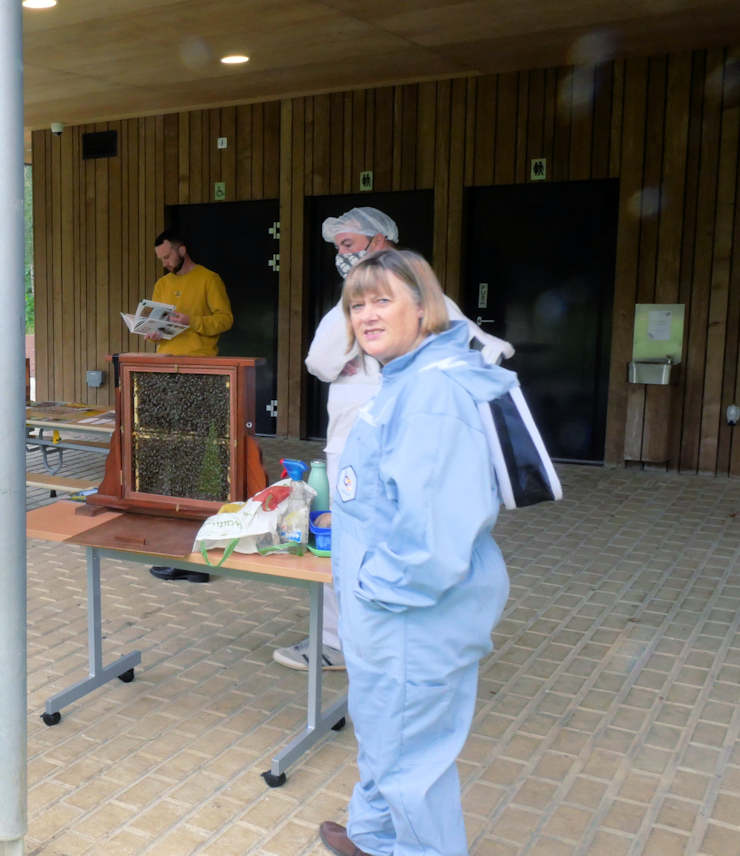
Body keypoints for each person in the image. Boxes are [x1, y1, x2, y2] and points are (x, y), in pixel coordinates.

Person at [318, 249, 514, 856]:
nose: (367, 316)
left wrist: (374, 593)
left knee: (412, 767)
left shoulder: (430, 393)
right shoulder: (403, 378)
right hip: (388, 617)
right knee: (386, 742)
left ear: (424, 308)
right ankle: (374, 840)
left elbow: (432, 541)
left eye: (384, 301)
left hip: (409, 618)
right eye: (358, 305)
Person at [273, 207, 513, 672]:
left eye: (348, 245)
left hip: (386, 437)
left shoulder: (416, 296)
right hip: (352, 437)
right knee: (345, 537)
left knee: (371, 537)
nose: (341, 256)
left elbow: (484, 354)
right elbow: (320, 362)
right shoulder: (374, 300)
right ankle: (353, 640)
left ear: (380, 240)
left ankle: (358, 642)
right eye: (337, 247)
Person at [147, 229, 234, 583]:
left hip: (201, 373)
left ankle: (193, 556)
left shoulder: (209, 279)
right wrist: (153, 331)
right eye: (161, 259)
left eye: (168, 257)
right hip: (163, 372)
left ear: (183, 250)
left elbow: (225, 319)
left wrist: (191, 321)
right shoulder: (161, 285)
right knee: (168, 453)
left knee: (194, 456)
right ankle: (179, 550)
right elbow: (156, 321)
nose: (165, 264)